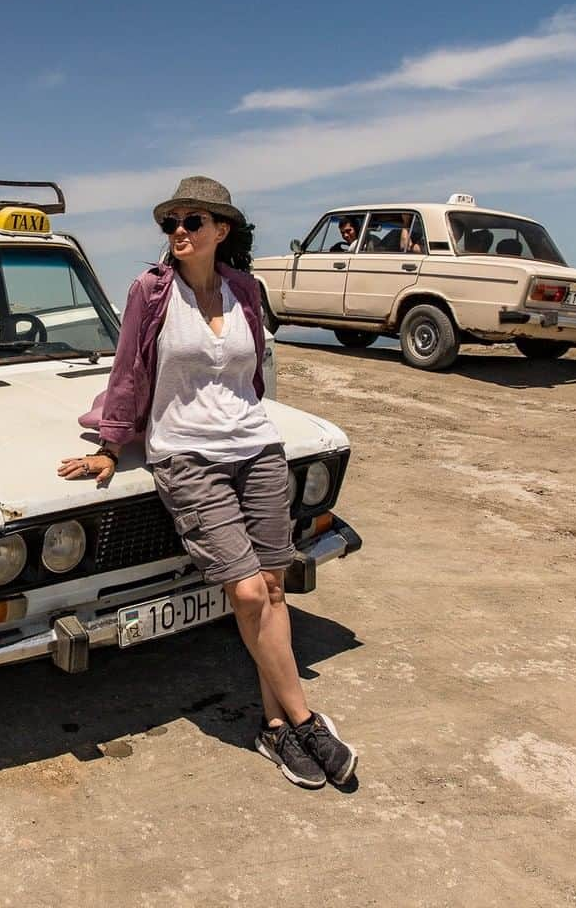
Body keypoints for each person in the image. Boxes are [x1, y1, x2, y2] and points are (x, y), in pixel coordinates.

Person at [58, 175, 358, 790]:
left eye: (193, 222)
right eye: (172, 224)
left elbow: (250, 377)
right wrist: (113, 447)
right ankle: (307, 720)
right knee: (246, 594)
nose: (179, 233)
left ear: (222, 230)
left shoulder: (245, 289)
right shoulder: (151, 291)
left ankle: (274, 729)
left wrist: (246, 420)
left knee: (273, 588)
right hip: (187, 456)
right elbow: (128, 370)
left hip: (256, 450)